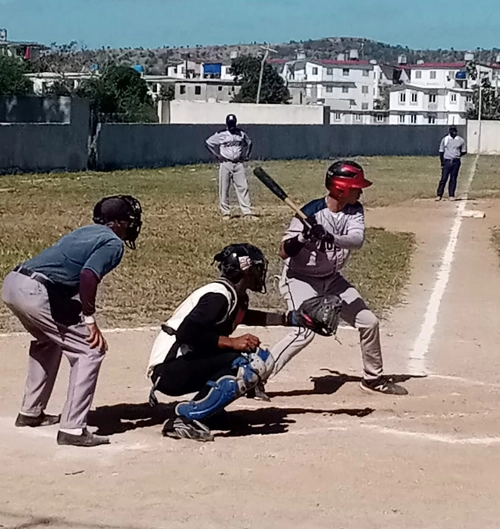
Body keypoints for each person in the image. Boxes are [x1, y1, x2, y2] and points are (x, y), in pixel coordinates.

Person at [1, 195, 143, 447]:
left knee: (48, 340)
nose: (132, 226)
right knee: (90, 349)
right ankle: (73, 429)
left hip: (14, 284)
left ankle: (31, 412)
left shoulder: (87, 231)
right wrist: (89, 319)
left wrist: (74, 308)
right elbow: (88, 275)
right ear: (117, 223)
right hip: (36, 292)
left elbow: (67, 272)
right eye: (129, 221)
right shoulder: (113, 243)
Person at [269, 160, 408, 396]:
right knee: (304, 331)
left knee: (369, 322)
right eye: (356, 187)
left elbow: (357, 240)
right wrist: (304, 237)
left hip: (332, 280)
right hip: (300, 280)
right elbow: (283, 251)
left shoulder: (355, 210)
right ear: (341, 188)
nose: (361, 192)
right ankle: (255, 376)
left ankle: (373, 379)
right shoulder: (310, 213)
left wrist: (330, 236)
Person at [147, 243, 309, 442]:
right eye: (256, 268)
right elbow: (186, 333)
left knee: (251, 359)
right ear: (246, 270)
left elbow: (243, 316)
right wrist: (231, 342)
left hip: (181, 364)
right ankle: (186, 417)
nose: (259, 273)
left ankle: (208, 411)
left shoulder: (233, 295)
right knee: (249, 363)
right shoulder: (218, 297)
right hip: (169, 370)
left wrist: (289, 319)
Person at [205, 114, 257, 220]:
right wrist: (216, 155)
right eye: (230, 124)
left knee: (243, 187)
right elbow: (208, 143)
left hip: (238, 163)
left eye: (233, 124)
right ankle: (226, 212)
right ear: (227, 124)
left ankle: (247, 212)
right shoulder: (221, 134)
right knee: (224, 188)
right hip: (226, 163)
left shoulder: (240, 133)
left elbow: (249, 142)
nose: (232, 126)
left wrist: (247, 155)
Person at [436, 126, 466, 201]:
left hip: (456, 161)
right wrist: (442, 162)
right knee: (444, 178)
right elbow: (441, 151)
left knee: (453, 178)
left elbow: (464, 151)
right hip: (447, 161)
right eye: (451, 131)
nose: (453, 133)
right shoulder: (445, 139)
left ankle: (451, 195)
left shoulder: (460, 140)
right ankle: (439, 194)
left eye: (454, 131)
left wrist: (457, 155)